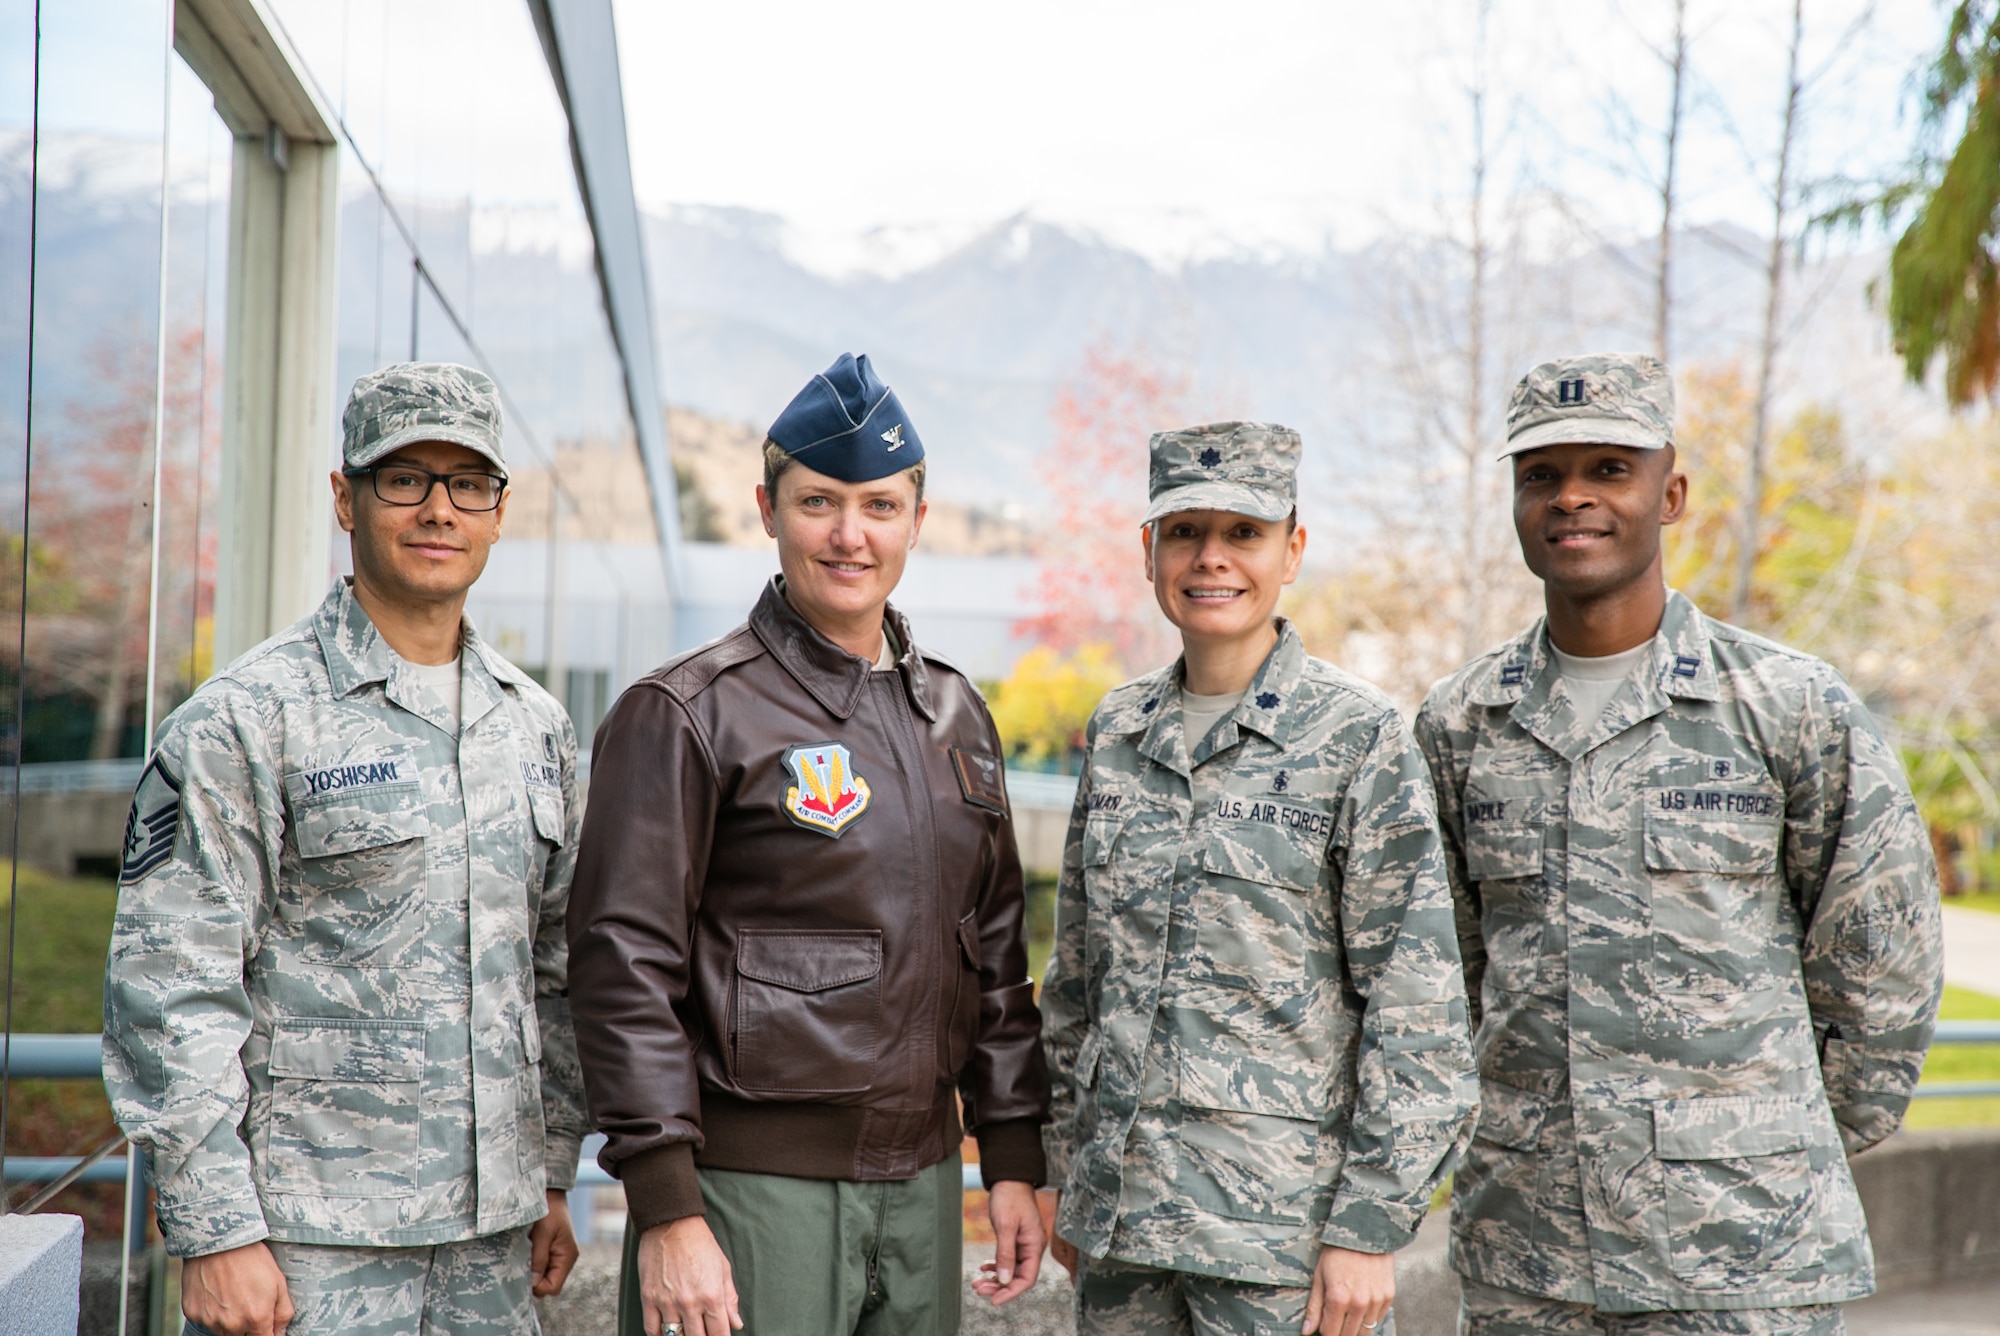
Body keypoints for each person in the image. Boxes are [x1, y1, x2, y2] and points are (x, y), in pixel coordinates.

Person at [1414, 353, 1944, 1335]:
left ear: (1671, 493)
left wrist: (1770, 1147)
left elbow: (1881, 956)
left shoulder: (1785, 706)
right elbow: (1437, 974)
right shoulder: (1458, 725)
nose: (1571, 496)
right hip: (1529, 1256)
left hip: (1739, 1253)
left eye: (1608, 468)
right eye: (1540, 474)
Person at [566, 352, 1051, 1336]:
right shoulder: (687, 712)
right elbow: (622, 965)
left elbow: (992, 952)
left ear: (917, 517)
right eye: (818, 501)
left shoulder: (954, 712)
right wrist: (667, 1207)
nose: (847, 534)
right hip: (750, 1195)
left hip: (919, 1192)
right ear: (766, 506)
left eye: (877, 506)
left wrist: (1008, 1153)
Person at [102, 363, 587, 1336]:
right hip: (301, 1252)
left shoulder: (535, 729)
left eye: (467, 482)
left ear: (498, 511)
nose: (438, 508)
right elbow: (170, 987)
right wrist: (213, 1229)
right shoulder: (245, 722)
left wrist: (552, 1175)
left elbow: (553, 971)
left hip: (491, 1251)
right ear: (345, 497)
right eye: (404, 477)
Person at [1039, 421, 1478, 1336]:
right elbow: (1077, 982)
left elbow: (1418, 1006)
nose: (1212, 559)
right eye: (1185, 531)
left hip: (1286, 1249)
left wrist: (1369, 1225)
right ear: (1148, 551)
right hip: (1123, 1238)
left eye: (1243, 533)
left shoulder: (1357, 738)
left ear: (1293, 551)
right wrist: (1064, 1173)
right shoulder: (1120, 732)